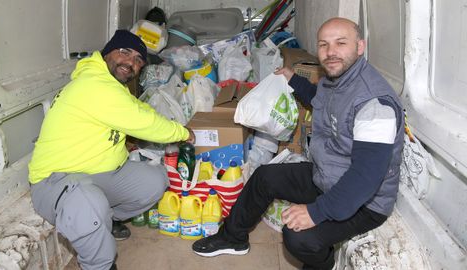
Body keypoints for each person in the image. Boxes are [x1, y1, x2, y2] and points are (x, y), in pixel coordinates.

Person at [192, 17, 404, 270]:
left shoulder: (374, 104)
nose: (331, 52)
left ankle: (324, 266)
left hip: (365, 202)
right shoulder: (337, 79)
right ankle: (232, 237)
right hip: (328, 175)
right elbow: (322, 101)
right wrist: (294, 80)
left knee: (298, 237)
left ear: (360, 47)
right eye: (324, 45)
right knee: (265, 177)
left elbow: (365, 179)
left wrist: (316, 213)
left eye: (341, 43)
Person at [28, 30, 194, 270]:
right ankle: (99, 265)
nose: (131, 62)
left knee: (155, 180)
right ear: (107, 54)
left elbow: (140, 110)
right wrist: (183, 132)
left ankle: (107, 220)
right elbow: (145, 123)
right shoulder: (94, 85)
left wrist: (166, 119)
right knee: (89, 202)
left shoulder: (112, 87)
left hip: (97, 173)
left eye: (138, 59)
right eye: (125, 52)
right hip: (55, 181)